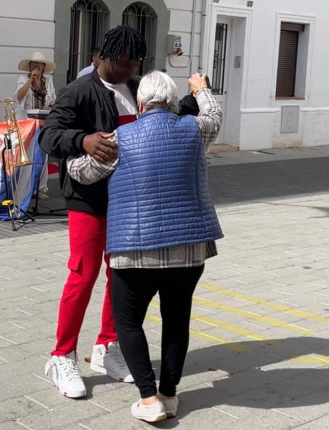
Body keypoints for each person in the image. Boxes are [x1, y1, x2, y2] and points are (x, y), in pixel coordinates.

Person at [66, 71, 223, 422]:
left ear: (139, 104)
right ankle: (168, 395)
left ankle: (148, 399)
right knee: (177, 320)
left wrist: (80, 144)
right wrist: (201, 90)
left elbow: (80, 172)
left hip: (134, 250)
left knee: (129, 323)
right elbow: (214, 116)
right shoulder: (195, 130)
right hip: (189, 248)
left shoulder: (120, 138)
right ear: (171, 102)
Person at [38, 25, 149, 399]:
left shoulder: (137, 89)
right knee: (82, 276)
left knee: (121, 276)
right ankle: (62, 356)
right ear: (101, 58)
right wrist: (82, 140)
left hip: (128, 199)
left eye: (135, 64)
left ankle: (107, 347)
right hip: (89, 198)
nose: (130, 70)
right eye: (123, 63)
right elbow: (47, 136)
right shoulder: (78, 91)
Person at [13, 52, 56, 200]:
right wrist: (30, 81)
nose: (36, 68)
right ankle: (23, 187)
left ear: (43, 68)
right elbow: (18, 97)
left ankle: (39, 188)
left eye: (38, 66)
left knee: (41, 155)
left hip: (42, 122)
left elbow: (52, 102)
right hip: (26, 122)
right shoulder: (22, 79)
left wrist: (50, 110)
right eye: (33, 65)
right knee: (26, 154)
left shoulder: (48, 82)